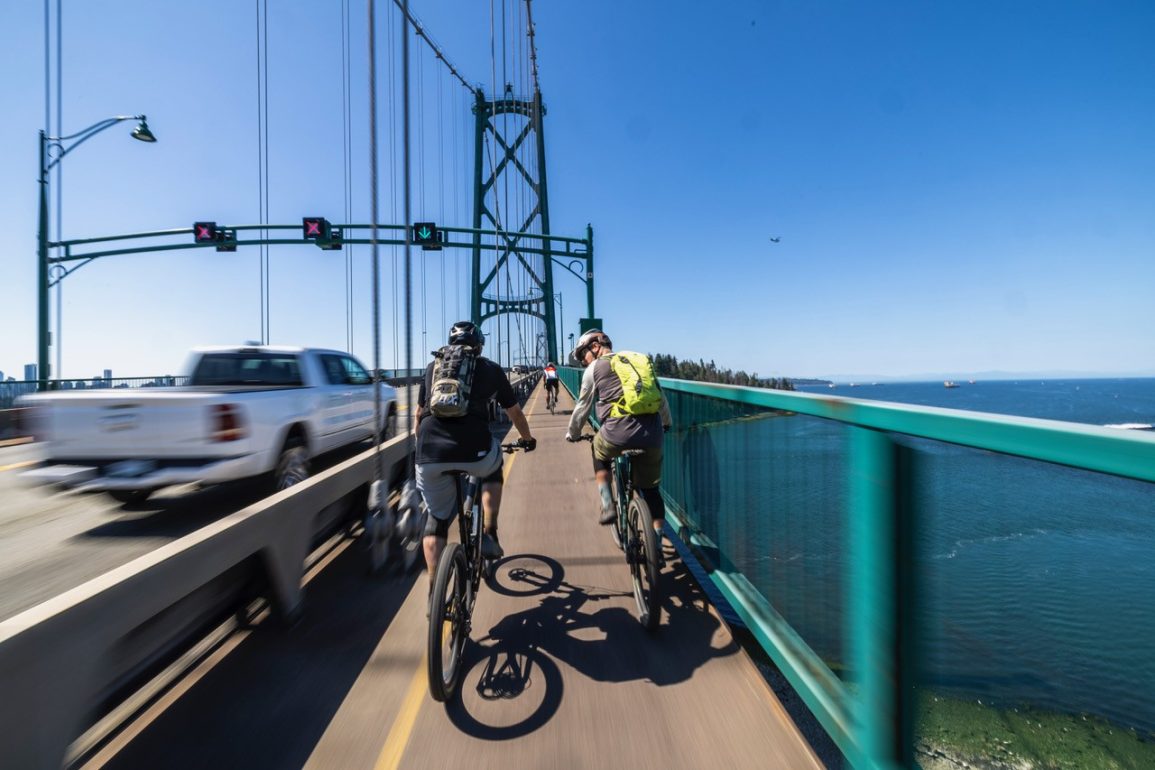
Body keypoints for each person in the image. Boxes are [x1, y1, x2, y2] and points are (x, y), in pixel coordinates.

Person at [415, 321, 536, 584]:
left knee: (436, 518)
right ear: (479, 346)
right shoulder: (490, 369)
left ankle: (435, 588)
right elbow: (515, 413)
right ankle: (490, 533)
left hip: (429, 451)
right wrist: (527, 439)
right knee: (493, 464)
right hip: (475, 450)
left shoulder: (432, 368)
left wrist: (422, 448)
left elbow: (418, 414)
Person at [564, 329, 671, 537]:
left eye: (583, 355)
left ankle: (607, 505)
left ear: (595, 347)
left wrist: (573, 433)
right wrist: (666, 424)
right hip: (653, 434)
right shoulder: (637, 361)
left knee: (598, 450)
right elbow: (661, 398)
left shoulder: (594, 368)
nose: (583, 362)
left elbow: (582, 407)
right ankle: (657, 541)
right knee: (651, 491)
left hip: (616, 434)